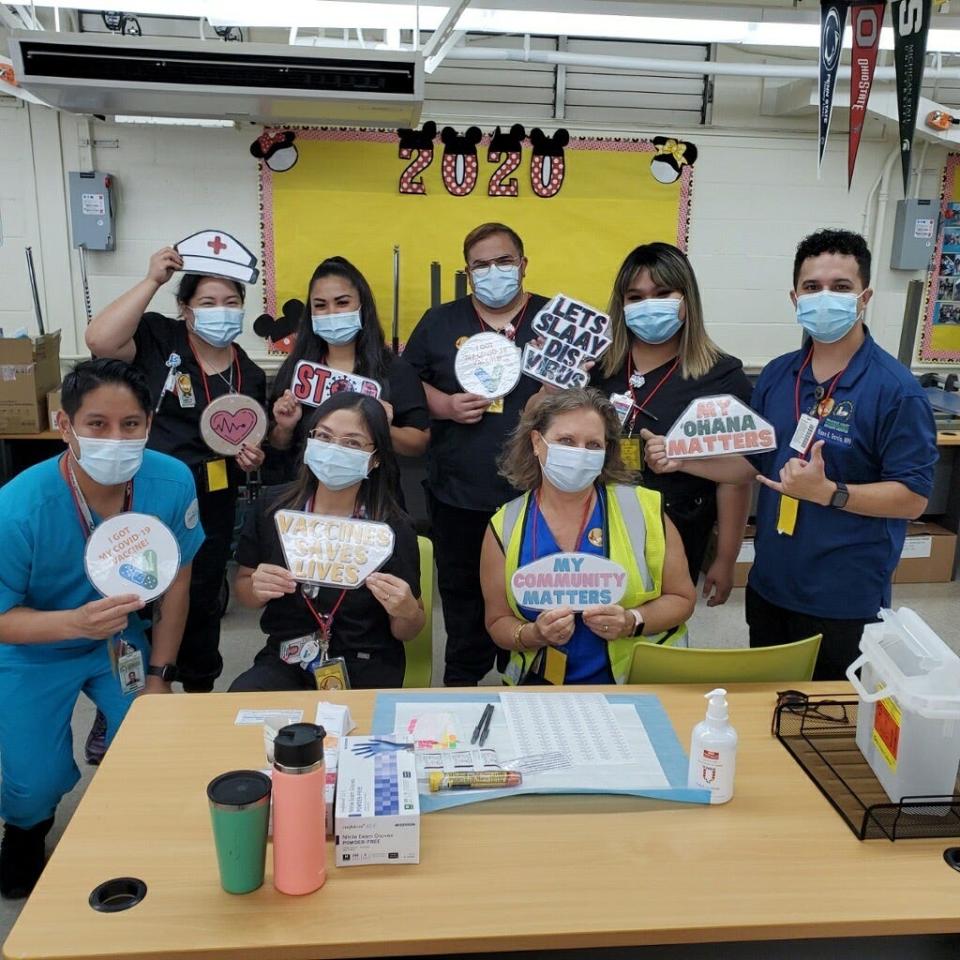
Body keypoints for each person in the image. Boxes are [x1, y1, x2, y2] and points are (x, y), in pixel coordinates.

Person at [643, 229, 938, 679]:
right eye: (812, 287)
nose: (824, 297)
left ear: (865, 296)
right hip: (771, 586)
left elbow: (913, 497)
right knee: (772, 708)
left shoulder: (896, 391)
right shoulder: (781, 375)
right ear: (794, 296)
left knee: (830, 723)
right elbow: (750, 465)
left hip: (845, 597)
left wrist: (831, 493)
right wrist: (685, 460)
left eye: (840, 287)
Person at [0, 359, 203, 899]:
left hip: (120, 643)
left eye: (130, 424)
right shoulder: (19, 507)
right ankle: (24, 832)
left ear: (149, 423)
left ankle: (125, 832)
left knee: (147, 743)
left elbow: (177, 585)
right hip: (33, 646)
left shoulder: (171, 480)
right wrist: (71, 621)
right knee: (33, 780)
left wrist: (160, 673)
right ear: (64, 424)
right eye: (97, 424)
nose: (116, 438)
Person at [85, 243, 267, 699]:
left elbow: (256, 440)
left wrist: (254, 457)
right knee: (133, 588)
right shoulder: (157, 336)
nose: (220, 312)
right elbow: (100, 341)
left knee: (203, 594)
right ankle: (124, 692)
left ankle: (198, 686)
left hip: (212, 495)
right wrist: (152, 280)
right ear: (186, 309)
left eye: (231, 302)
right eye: (207, 303)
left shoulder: (249, 371)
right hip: (147, 488)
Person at [403, 222, 549, 685]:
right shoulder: (440, 322)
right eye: (481, 265)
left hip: (538, 492)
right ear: (468, 273)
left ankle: (528, 675)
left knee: (536, 589)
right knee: (462, 593)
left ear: (523, 264)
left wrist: (557, 391)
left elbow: (591, 390)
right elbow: (403, 380)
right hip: (459, 492)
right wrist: (442, 404)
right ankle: (462, 678)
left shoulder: (552, 321)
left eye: (504, 261)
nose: (494, 272)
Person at [480, 388, 696, 685]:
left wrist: (632, 621)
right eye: (566, 441)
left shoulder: (643, 510)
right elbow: (497, 621)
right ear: (536, 443)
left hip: (638, 688)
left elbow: (682, 598)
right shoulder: (505, 524)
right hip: (541, 691)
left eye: (593, 445)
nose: (580, 453)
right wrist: (533, 634)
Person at [591, 242, 752, 606]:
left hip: (677, 530)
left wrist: (726, 559)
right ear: (622, 305)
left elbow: (741, 474)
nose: (649, 304)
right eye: (636, 296)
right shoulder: (598, 368)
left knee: (657, 628)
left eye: (663, 293)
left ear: (686, 299)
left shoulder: (721, 376)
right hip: (598, 525)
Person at [230, 393, 424, 691]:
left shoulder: (392, 528)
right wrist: (256, 587)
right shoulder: (273, 508)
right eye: (324, 436)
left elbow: (407, 630)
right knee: (241, 706)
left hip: (366, 661)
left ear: (375, 459)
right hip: (287, 657)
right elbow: (244, 589)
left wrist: (407, 610)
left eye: (352, 443)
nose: (334, 450)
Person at [267, 256, 429, 481]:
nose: (332, 313)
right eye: (320, 305)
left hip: (373, 497)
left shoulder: (394, 370)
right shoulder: (297, 370)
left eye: (342, 302)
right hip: (305, 494)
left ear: (362, 306)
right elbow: (277, 443)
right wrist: (285, 427)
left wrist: (382, 427)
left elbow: (419, 444)